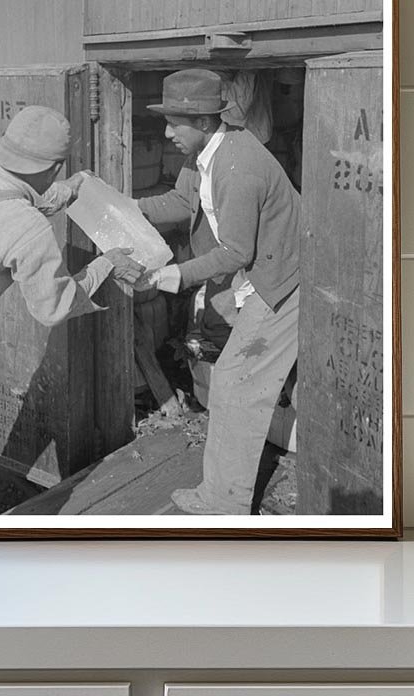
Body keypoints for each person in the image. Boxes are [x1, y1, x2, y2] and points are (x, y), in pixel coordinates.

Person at [0, 104, 144, 516]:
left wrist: (62, 192)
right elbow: (54, 306)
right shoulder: (27, 228)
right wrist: (105, 263)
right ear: (53, 167)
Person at [137, 69, 301, 515]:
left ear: (206, 123)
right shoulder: (204, 158)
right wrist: (128, 209)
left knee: (234, 381)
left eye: (175, 123)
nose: (167, 132)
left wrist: (177, 275)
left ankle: (223, 502)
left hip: (285, 279)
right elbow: (179, 203)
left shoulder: (239, 166)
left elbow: (234, 251)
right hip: (261, 274)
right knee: (236, 379)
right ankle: (225, 492)